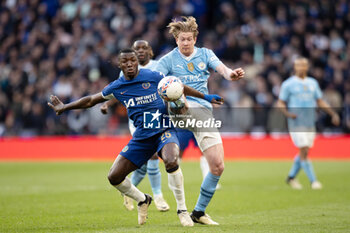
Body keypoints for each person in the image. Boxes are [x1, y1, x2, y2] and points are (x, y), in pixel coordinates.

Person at [48, 48, 223, 226]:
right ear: (120, 64)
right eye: (126, 61)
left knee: (171, 160)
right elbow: (91, 100)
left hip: (164, 130)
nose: (130, 64)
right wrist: (65, 107)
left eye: (133, 60)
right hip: (142, 137)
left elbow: (177, 85)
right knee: (114, 177)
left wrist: (206, 97)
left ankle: (182, 210)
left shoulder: (152, 76)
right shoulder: (117, 87)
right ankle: (142, 199)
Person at [156, 16, 245, 225]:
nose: (185, 43)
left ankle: (199, 212)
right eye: (181, 39)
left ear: (195, 38)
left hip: (203, 114)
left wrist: (231, 74)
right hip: (179, 113)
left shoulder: (206, 54)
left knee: (217, 166)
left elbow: (222, 69)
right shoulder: (168, 60)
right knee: (175, 95)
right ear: (176, 40)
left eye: (188, 39)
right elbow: (156, 81)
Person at [101, 40, 170, 212]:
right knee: (153, 154)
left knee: (144, 164)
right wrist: (107, 104)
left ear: (150, 51)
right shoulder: (126, 70)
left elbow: (169, 85)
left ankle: (130, 190)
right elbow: (119, 92)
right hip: (139, 119)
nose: (140, 51)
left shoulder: (158, 66)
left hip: (157, 114)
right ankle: (158, 195)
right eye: (136, 48)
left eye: (143, 48)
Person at [277, 57, 340, 190]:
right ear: (295, 67)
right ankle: (314, 181)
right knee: (304, 148)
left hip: (310, 122)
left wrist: (333, 113)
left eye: (304, 65)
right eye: (298, 65)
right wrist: (288, 114)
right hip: (296, 122)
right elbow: (280, 102)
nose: (301, 67)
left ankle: (291, 177)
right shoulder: (288, 84)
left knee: (304, 151)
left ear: (307, 67)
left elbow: (320, 101)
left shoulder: (313, 83)